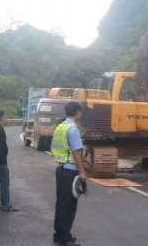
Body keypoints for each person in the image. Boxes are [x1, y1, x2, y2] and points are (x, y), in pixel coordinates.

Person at [52, 101, 86, 246]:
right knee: (69, 205)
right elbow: (76, 151)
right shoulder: (73, 129)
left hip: (61, 168)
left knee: (61, 203)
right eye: (81, 111)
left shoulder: (61, 126)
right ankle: (65, 237)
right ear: (77, 112)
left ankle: (59, 234)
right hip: (70, 171)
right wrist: (82, 171)